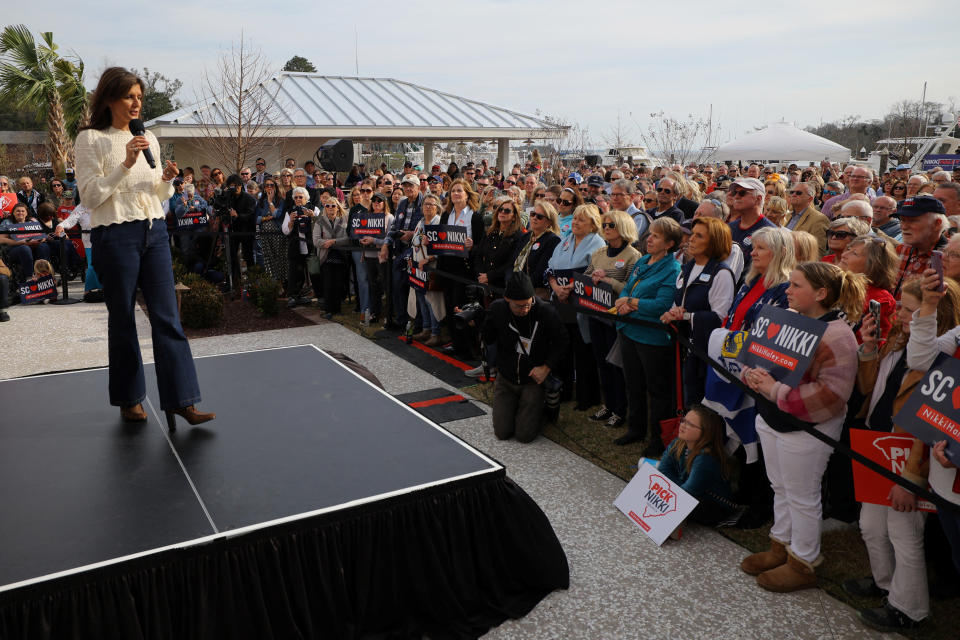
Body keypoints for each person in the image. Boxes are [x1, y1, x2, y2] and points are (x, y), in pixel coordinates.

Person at [75, 67, 214, 429]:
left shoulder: (148, 137)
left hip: (153, 233)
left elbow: (158, 193)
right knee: (123, 319)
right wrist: (125, 163)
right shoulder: (91, 139)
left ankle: (182, 400)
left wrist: (166, 180)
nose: (137, 103)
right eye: (130, 96)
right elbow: (91, 197)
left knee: (167, 316)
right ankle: (129, 398)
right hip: (114, 235)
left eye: (140, 96)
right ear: (109, 99)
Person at [741, 262, 864, 592]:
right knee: (780, 487)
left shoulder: (838, 336)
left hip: (807, 429)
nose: (788, 290)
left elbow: (831, 396)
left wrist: (773, 390)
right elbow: (759, 356)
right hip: (772, 419)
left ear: (821, 293)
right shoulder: (789, 318)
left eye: (796, 285)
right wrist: (750, 374)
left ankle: (803, 562)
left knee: (803, 496)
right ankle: (780, 546)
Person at [847, 278, 960, 632]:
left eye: (913, 310)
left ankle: (909, 609)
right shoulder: (896, 342)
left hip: (909, 456)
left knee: (903, 529)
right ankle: (886, 585)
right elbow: (870, 389)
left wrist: (911, 476)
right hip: (877, 445)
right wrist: (867, 349)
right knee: (870, 525)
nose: (903, 316)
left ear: (936, 316)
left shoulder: (941, 358)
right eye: (904, 308)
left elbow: (925, 421)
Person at [612, 217, 683, 452]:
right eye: (649, 234)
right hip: (629, 330)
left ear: (669, 244)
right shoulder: (643, 260)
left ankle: (657, 439)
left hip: (652, 338)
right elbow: (628, 285)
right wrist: (625, 301)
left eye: (656, 236)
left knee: (657, 390)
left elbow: (662, 304)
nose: (648, 238)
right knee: (633, 384)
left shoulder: (672, 269)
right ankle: (635, 429)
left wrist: (631, 302)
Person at [481, 272, 568, 443]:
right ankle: (516, 408)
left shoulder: (545, 311)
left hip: (533, 379)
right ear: (507, 299)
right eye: (519, 306)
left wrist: (546, 367)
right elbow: (489, 338)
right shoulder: (498, 308)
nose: (525, 310)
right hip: (507, 377)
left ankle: (545, 409)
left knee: (524, 436)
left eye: (528, 304)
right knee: (502, 432)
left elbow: (562, 341)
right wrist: (479, 322)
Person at [661, 217, 735, 406]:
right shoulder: (687, 267)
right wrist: (672, 312)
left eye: (699, 236)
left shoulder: (722, 274)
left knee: (696, 400)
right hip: (683, 345)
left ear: (714, 242)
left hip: (702, 353)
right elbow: (678, 301)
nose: (691, 239)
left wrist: (686, 316)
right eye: (692, 234)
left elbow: (720, 318)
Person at [584, 210, 641, 428]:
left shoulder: (633, 256)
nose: (606, 228)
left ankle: (620, 409)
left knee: (616, 365)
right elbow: (586, 276)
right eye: (605, 225)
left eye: (611, 225)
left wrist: (607, 280)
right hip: (596, 313)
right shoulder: (599, 252)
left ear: (623, 228)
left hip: (617, 318)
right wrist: (593, 278)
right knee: (601, 362)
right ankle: (608, 405)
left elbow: (630, 289)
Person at [547, 204, 606, 410]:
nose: (575, 223)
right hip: (561, 301)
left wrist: (570, 287)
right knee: (563, 349)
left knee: (583, 354)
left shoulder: (598, 244)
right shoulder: (565, 240)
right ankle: (562, 391)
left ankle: (586, 398)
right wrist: (556, 287)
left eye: (581, 220)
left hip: (582, 304)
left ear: (592, 224)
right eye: (574, 219)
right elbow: (550, 268)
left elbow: (594, 273)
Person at [657, 404, 737, 526]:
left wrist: (668, 490)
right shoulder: (678, 443)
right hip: (689, 493)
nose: (682, 425)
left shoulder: (706, 458)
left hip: (713, 507)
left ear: (706, 433)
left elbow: (686, 494)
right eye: (684, 420)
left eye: (690, 424)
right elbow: (663, 471)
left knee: (665, 496)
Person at [838, 235, 898, 345]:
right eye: (848, 249)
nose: (844, 255)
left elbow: (877, 345)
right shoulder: (832, 283)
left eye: (854, 253)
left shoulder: (881, 300)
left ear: (873, 264)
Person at [893, 195, 948, 298]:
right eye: (902, 220)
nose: (904, 227)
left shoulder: (949, 257)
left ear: (937, 224)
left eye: (913, 220)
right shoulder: (901, 249)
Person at [409, 193, 444, 346]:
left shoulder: (439, 223)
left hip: (431, 267)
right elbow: (414, 243)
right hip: (418, 267)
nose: (428, 207)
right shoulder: (420, 222)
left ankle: (436, 333)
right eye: (425, 204)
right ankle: (426, 328)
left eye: (431, 204)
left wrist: (429, 258)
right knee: (421, 298)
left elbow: (442, 247)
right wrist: (411, 257)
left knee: (432, 301)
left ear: (437, 208)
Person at [727, 177, 775, 280]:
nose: (736, 196)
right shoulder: (729, 228)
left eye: (742, 193)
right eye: (735, 192)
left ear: (758, 199)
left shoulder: (770, 232)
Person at [281, 187, 321, 307]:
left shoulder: (314, 209)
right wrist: (291, 222)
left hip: (311, 246)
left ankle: (320, 296)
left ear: (306, 198)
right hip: (296, 246)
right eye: (296, 197)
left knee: (314, 272)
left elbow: (321, 226)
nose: (298, 199)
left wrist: (313, 217)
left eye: (300, 197)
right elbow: (285, 231)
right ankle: (294, 296)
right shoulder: (290, 211)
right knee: (295, 272)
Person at [514, 200, 561, 300]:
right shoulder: (525, 236)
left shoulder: (553, 240)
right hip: (517, 287)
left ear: (549, 222)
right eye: (533, 214)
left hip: (535, 293)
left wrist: (523, 287)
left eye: (539, 217)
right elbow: (513, 261)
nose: (534, 218)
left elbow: (541, 270)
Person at [359, 191, 394, 325]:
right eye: (374, 201)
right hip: (368, 255)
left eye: (379, 201)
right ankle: (375, 313)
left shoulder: (389, 217)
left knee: (385, 285)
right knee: (373, 285)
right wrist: (362, 240)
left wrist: (373, 240)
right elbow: (360, 233)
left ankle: (388, 315)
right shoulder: (367, 216)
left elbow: (389, 238)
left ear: (384, 203)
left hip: (382, 256)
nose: (376, 203)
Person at [312, 197, 350, 320]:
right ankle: (328, 310)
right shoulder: (319, 222)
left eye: (333, 206)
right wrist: (326, 243)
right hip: (325, 256)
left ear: (338, 207)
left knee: (339, 284)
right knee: (328, 284)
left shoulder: (344, 220)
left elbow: (347, 239)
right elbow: (316, 240)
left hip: (340, 256)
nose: (330, 208)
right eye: (327, 206)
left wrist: (333, 242)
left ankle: (337, 309)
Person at [785, 182, 830, 255]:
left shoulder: (819, 219)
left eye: (799, 193)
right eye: (792, 192)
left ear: (810, 199)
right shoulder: (787, 215)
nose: (793, 195)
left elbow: (818, 252)